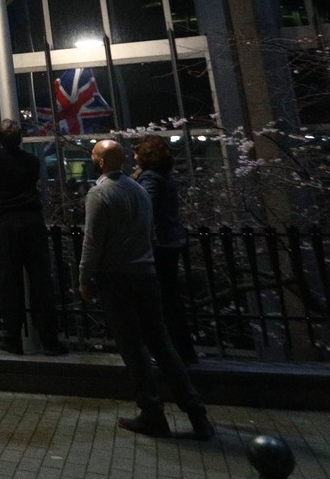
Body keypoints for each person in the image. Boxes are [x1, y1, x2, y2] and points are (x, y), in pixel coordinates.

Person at [79, 139, 213, 440]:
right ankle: (196, 413)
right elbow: (151, 233)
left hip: (117, 276)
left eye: (93, 155)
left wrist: (84, 278)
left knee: (133, 347)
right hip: (146, 273)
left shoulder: (100, 193)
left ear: (100, 162)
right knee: (161, 342)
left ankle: (152, 413)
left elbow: (93, 241)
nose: (92, 158)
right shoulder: (139, 190)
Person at [0, 120, 67, 356]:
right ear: (20, 139)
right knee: (41, 280)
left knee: (9, 281)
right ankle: (49, 339)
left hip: (5, 223)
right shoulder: (32, 162)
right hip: (32, 221)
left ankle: (12, 337)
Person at [134, 134, 196, 365]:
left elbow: (145, 204)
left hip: (159, 242)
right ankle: (182, 350)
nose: (134, 156)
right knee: (171, 298)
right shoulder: (165, 176)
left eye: (138, 152)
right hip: (172, 239)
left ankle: (168, 351)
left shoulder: (150, 177)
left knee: (159, 299)